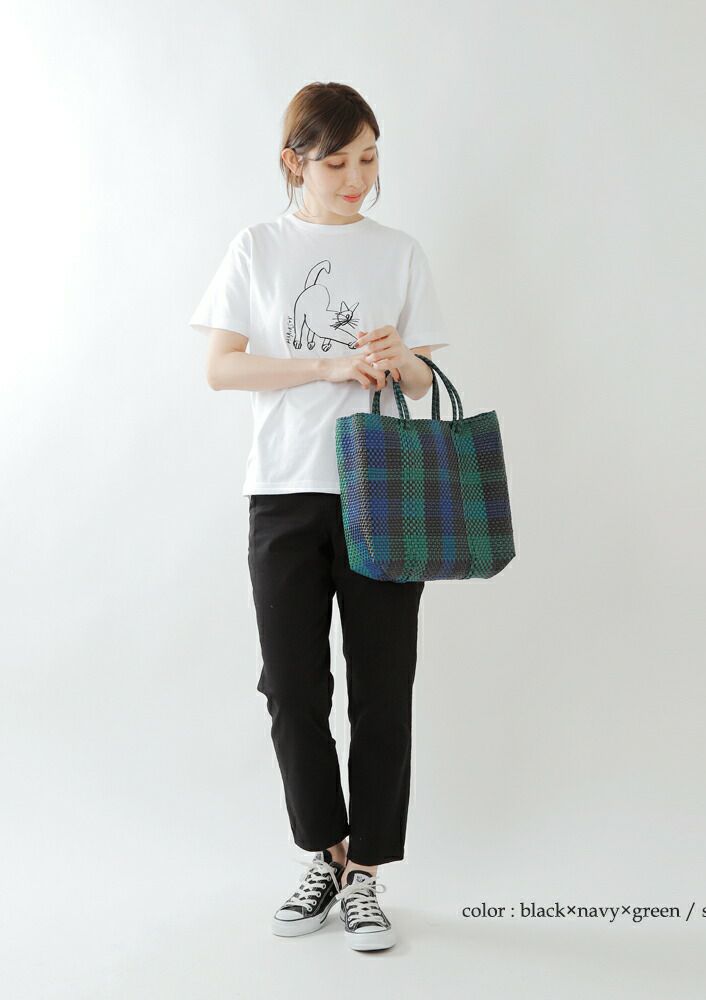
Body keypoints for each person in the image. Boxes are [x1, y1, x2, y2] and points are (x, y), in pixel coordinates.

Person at [188, 82, 449, 952]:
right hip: (285, 489)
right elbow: (222, 369)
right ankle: (326, 854)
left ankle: (367, 873)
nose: (356, 178)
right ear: (294, 162)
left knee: (383, 685)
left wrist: (401, 359)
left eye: (368, 157)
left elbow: (424, 384)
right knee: (291, 687)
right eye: (336, 162)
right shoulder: (258, 246)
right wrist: (325, 366)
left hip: (383, 490)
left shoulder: (399, 252)